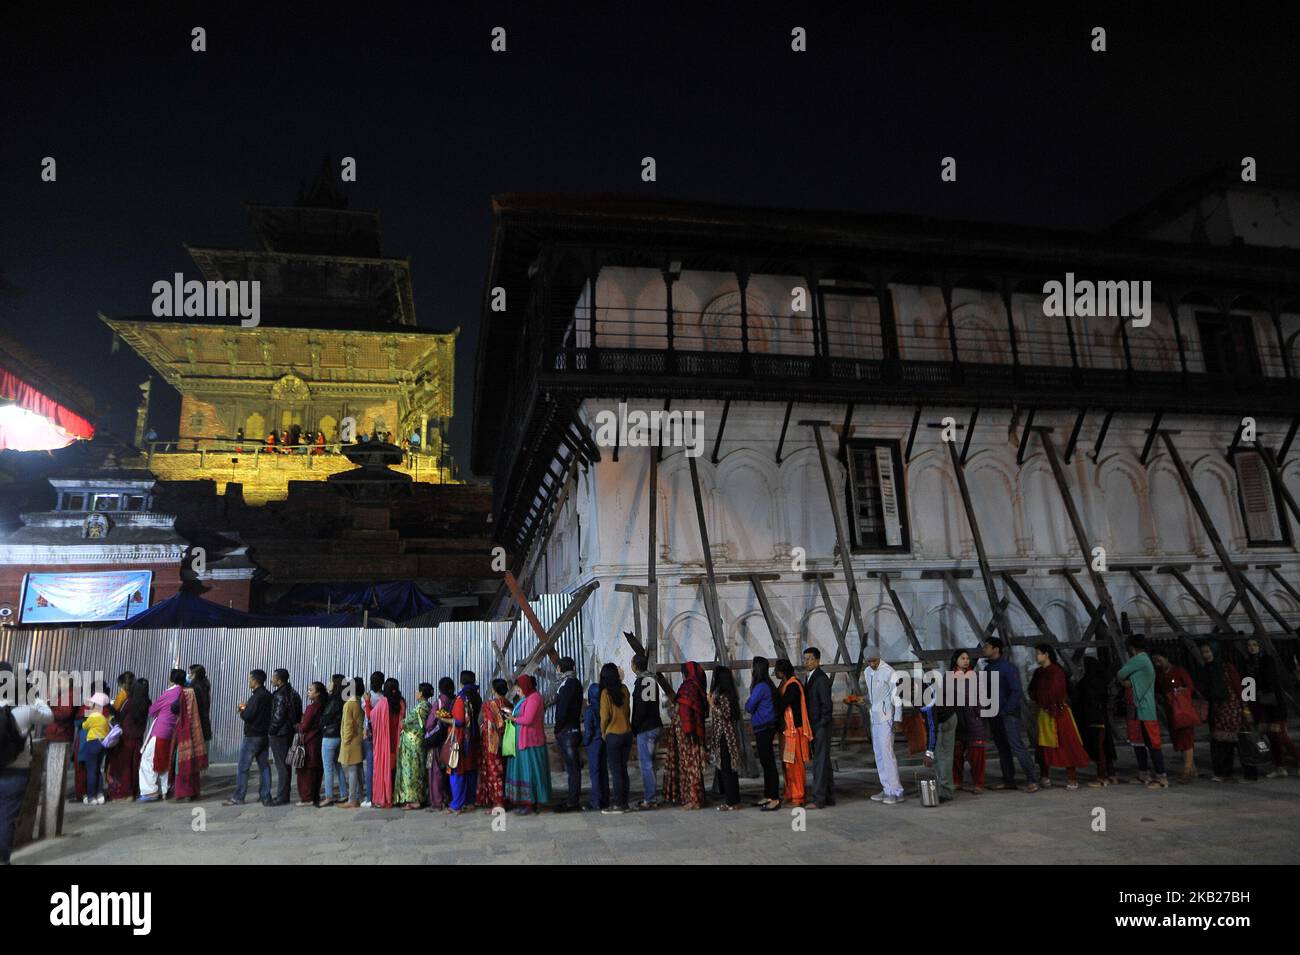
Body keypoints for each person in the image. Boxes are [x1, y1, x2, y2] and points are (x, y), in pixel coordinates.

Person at [0, 661, 53, 865]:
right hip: (16, 771)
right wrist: (35, 698)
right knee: (6, 816)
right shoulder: (25, 710)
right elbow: (49, 717)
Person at [1028, 644, 1090, 790]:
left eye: (1038, 653)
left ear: (1046, 654)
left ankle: (1072, 777)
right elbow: (1032, 689)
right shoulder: (1038, 672)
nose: (1036, 656)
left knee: (1066, 744)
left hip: (1059, 713)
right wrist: (1038, 698)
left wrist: (1042, 697)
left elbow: (1055, 692)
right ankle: (1044, 775)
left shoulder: (1056, 671)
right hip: (1044, 713)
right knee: (1043, 745)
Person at [982, 638, 1039, 793]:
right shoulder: (987, 669)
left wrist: (1006, 710)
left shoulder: (1008, 667)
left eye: (986, 646)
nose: (984, 649)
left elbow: (1016, 690)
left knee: (1017, 747)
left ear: (996, 649)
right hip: (994, 715)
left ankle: (1032, 779)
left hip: (1008, 715)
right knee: (1002, 749)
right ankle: (1009, 780)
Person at [1116, 635, 1169, 789]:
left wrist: (1129, 681)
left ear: (1132, 647)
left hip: (1144, 709)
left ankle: (1161, 778)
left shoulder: (1140, 659)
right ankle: (1143, 774)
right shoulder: (1144, 661)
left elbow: (1121, 674)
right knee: (1139, 742)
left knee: (1152, 744)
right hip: (1137, 709)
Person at [1194, 640, 1251, 782]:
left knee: (1240, 742)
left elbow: (1238, 687)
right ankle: (1224, 773)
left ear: (1214, 651)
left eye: (1208, 651)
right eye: (1203, 652)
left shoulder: (1226, 667)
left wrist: (1245, 707)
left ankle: (1250, 773)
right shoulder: (1207, 669)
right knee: (1221, 744)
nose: (1206, 655)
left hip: (1232, 709)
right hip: (1217, 710)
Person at [1240, 638, 1298, 777]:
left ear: (1259, 646)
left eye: (1254, 644)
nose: (1252, 647)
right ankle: (1279, 767)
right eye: (1249, 645)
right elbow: (1247, 684)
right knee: (1271, 737)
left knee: (1281, 736)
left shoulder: (1267, 660)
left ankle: (1298, 760)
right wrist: (1247, 703)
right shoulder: (1247, 663)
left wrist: (1258, 687)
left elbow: (1270, 680)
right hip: (1260, 705)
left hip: (1274, 704)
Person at [503, 674, 550, 813]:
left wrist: (513, 718)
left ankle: (531, 802)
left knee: (530, 772)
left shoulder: (534, 698)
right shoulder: (526, 698)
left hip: (531, 741)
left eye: (519, 688)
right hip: (523, 740)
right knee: (526, 772)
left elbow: (528, 719)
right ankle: (527, 802)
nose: (518, 691)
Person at [224, 670, 272, 806]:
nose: (249, 681)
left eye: (250, 679)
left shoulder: (256, 697)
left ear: (255, 681)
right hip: (264, 735)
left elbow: (248, 716)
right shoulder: (268, 695)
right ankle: (265, 795)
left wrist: (242, 710)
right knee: (264, 766)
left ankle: (239, 796)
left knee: (243, 767)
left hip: (252, 736)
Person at [665, 661, 708, 809]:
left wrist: (688, 730)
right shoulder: (698, 688)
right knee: (693, 765)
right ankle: (695, 797)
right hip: (694, 732)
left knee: (690, 766)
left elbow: (685, 710)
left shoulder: (688, 687)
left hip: (687, 734)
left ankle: (694, 799)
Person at [1152, 651, 1199, 784]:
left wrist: (1178, 691)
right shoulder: (1161, 675)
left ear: (1166, 657)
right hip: (1172, 710)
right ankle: (1191, 769)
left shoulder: (1178, 671)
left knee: (1186, 738)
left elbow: (1190, 687)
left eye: (1159, 660)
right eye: (1155, 661)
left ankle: (1187, 770)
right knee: (1180, 739)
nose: (1157, 663)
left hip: (1182, 709)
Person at [864, 651, 904, 804]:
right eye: (869, 661)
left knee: (887, 754)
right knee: (879, 754)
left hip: (887, 719)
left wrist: (898, 719)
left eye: (874, 661)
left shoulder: (889, 672)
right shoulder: (868, 672)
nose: (872, 664)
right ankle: (887, 788)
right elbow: (874, 695)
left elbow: (897, 697)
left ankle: (896, 791)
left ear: (879, 657)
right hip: (875, 717)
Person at [139, 670, 185, 802]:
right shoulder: (183, 692)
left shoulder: (169, 692)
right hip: (171, 732)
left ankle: (149, 791)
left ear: (171, 679)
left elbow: (152, 710)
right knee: (164, 762)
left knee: (147, 760)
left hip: (160, 730)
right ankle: (164, 790)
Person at [1073, 655, 1119, 788]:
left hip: (1093, 719)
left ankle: (1102, 777)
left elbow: (1080, 700)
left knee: (1098, 748)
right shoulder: (1101, 681)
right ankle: (1111, 774)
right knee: (1105, 746)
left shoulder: (1087, 683)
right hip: (1101, 717)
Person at [41, 674, 77, 833]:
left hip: (60, 735)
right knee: (51, 769)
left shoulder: (69, 695)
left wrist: (48, 708)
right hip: (54, 734)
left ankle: (53, 799)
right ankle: (50, 796)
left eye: (59, 681)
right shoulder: (61, 694)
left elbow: (64, 714)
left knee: (56, 769)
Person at [745, 656, 781, 811]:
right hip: (765, 726)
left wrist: (748, 702)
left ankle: (774, 797)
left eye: (753, 667)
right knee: (766, 763)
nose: (751, 670)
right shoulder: (767, 685)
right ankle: (768, 794)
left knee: (768, 763)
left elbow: (749, 706)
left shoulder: (761, 687)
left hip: (764, 727)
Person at [950, 650, 988, 794]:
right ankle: (957, 781)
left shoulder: (975, 677)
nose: (966, 661)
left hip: (973, 720)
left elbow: (983, 698)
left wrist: (976, 711)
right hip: (956, 720)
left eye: (967, 658)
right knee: (956, 754)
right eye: (962, 658)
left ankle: (978, 783)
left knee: (976, 755)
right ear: (955, 660)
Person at [774, 658, 811, 807]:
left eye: (776, 671)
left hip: (794, 731)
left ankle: (798, 797)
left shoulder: (793, 686)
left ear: (781, 672)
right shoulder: (787, 684)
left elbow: (782, 704)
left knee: (795, 766)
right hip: (788, 732)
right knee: (788, 765)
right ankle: (790, 794)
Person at [599, 663, 634, 814]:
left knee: (615, 771)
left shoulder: (605, 693)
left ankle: (618, 804)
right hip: (627, 733)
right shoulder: (625, 689)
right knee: (623, 769)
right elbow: (628, 711)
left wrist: (603, 732)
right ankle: (624, 802)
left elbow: (604, 717)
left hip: (613, 735)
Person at [707, 664, 743, 811]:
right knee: (729, 770)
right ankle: (734, 800)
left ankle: (731, 801)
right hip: (726, 735)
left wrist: (712, 704)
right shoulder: (730, 694)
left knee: (728, 770)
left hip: (726, 737)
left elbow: (725, 714)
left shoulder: (724, 696)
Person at [630, 653, 663, 809]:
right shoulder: (652, 680)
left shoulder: (641, 682)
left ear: (635, 666)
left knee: (646, 764)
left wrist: (634, 727)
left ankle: (650, 799)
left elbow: (640, 708)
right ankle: (651, 796)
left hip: (646, 728)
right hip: (656, 724)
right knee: (651, 763)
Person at [803, 647, 835, 808]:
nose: (806, 662)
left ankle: (818, 799)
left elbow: (827, 705)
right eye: (805, 659)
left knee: (820, 762)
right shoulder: (809, 677)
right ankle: (829, 796)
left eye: (809, 659)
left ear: (817, 660)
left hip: (820, 725)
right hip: (814, 724)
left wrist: (821, 724)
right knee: (824, 762)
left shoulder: (820, 679)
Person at [920, 669, 957, 804]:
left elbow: (932, 727)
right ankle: (942, 787)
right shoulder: (917, 689)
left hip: (946, 721)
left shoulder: (925, 700)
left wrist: (929, 752)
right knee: (939, 755)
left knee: (943, 756)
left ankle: (946, 792)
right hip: (944, 716)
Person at [447, 671, 481, 812]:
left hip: (460, 739)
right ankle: (470, 802)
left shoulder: (461, 699)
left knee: (457, 771)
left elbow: (460, 721)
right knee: (470, 770)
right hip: (472, 738)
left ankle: (457, 804)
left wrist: (444, 719)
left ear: (461, 682)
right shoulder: (476, 696)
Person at [267, 669, 303, 806]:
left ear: (279, 680)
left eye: (273, 678)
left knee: (281, 765)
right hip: (290, 733)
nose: (271, 680)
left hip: (280, 734)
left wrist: (271, 730)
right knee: (286, 765)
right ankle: (284, 794)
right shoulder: (294, 693)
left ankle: (282, 796)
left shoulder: (280, 695)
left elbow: (278, 716)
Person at [552, 657, 583, 813]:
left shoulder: (568, 684)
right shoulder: (573, 683)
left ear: (559, 668)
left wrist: (558, 728)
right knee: (572, 767)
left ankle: (573, 801)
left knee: (572, 768)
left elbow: (563, 710)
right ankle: (572, 797)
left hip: (567, 731)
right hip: (571, 729)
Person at [172, 676, 209, 801]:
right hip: (197, 730)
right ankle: (193, 791)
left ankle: (184, 792)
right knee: (193, 763)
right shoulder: (201, 690)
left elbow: (175, 708)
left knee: (182, 763)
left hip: (185, 731)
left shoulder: (185, 693)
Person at [370, 678, 404, 808]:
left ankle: (385, 797)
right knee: (396, 770)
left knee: (385, 770)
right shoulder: (401, 702)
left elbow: (371, 716)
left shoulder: (383, 703)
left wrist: (367, 702)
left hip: (385, 743)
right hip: (397, 741)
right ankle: (397, 796)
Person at [396, 683, 430, 810]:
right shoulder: (427, 706)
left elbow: (411, 723)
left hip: (413, 745)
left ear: (421, 694)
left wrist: (403, 723)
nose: (416, 693)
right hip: (417, 744)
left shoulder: (421, 707)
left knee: (413, 771)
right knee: (419, 770)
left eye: (417, 691)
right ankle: (420, 797)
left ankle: (414, 800)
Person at [479, 678, 510, 812]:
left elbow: (492, 724)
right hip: (508, 743)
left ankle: (498, 803)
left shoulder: (488, 705)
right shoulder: (509, 703)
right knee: (504, 772)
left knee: (494, 773)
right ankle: (504, 799)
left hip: (492, 744)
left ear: (494, 690)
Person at [424, 677, 454, 811]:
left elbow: (429, 724)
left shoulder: (439, 703)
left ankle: (437, 801)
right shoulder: (453, 701)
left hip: (436, 743)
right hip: (449, 741)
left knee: (434, 772)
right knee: (447, 771)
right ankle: (447, 798)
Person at [294, 681, 325, 806]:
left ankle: (307, 798)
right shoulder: (323, 706)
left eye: (311, 690)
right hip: (318, 741)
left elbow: (304, 726)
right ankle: (314, 795)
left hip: (309, 742)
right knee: (316, 771)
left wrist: (298, 725)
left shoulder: (312, 708)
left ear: (317, 693)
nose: (308, 692)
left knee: (306, 771)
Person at [78, 692, 112, 805]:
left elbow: (84, 726)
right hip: (102, 744)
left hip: (92, 743)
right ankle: (100, 794)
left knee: (91, 771)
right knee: (98, 770)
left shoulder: (93, 716)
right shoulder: (105, 717)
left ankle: (91, 796)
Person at [337, 677, 366, 809]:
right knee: (358, 769)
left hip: (351, 742)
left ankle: (352, 799)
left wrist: (346, 740)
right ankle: (360, 796)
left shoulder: (349, 704)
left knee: (353, 771)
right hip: (358, 740)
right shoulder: (359, 702)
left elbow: (348, 725)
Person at [319, 675, 346, 807]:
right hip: (338, 736)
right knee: (338, 765)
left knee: (328, 767)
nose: (328, 683)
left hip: (329, 736)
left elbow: (325, 718)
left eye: (330, 681)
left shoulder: (333, 700)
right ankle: (344, 793)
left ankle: (329, 796)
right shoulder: (343, 699)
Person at [581, 681, 609, 811]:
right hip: (605, 740)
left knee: (595, 772)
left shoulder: (590, 710)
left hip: (594, 743)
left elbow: (589, 730)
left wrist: (585, 742)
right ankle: (605, 799)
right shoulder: (605, 707)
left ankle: (595, 801)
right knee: (603, 771)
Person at [361, 671, 384, 807]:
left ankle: (369, 797)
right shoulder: (383, 698)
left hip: (369, 734)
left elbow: (367, 716)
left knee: (369, 767)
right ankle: (379, 794)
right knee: (380, 767)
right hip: (381, 735)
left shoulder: (366, 697)